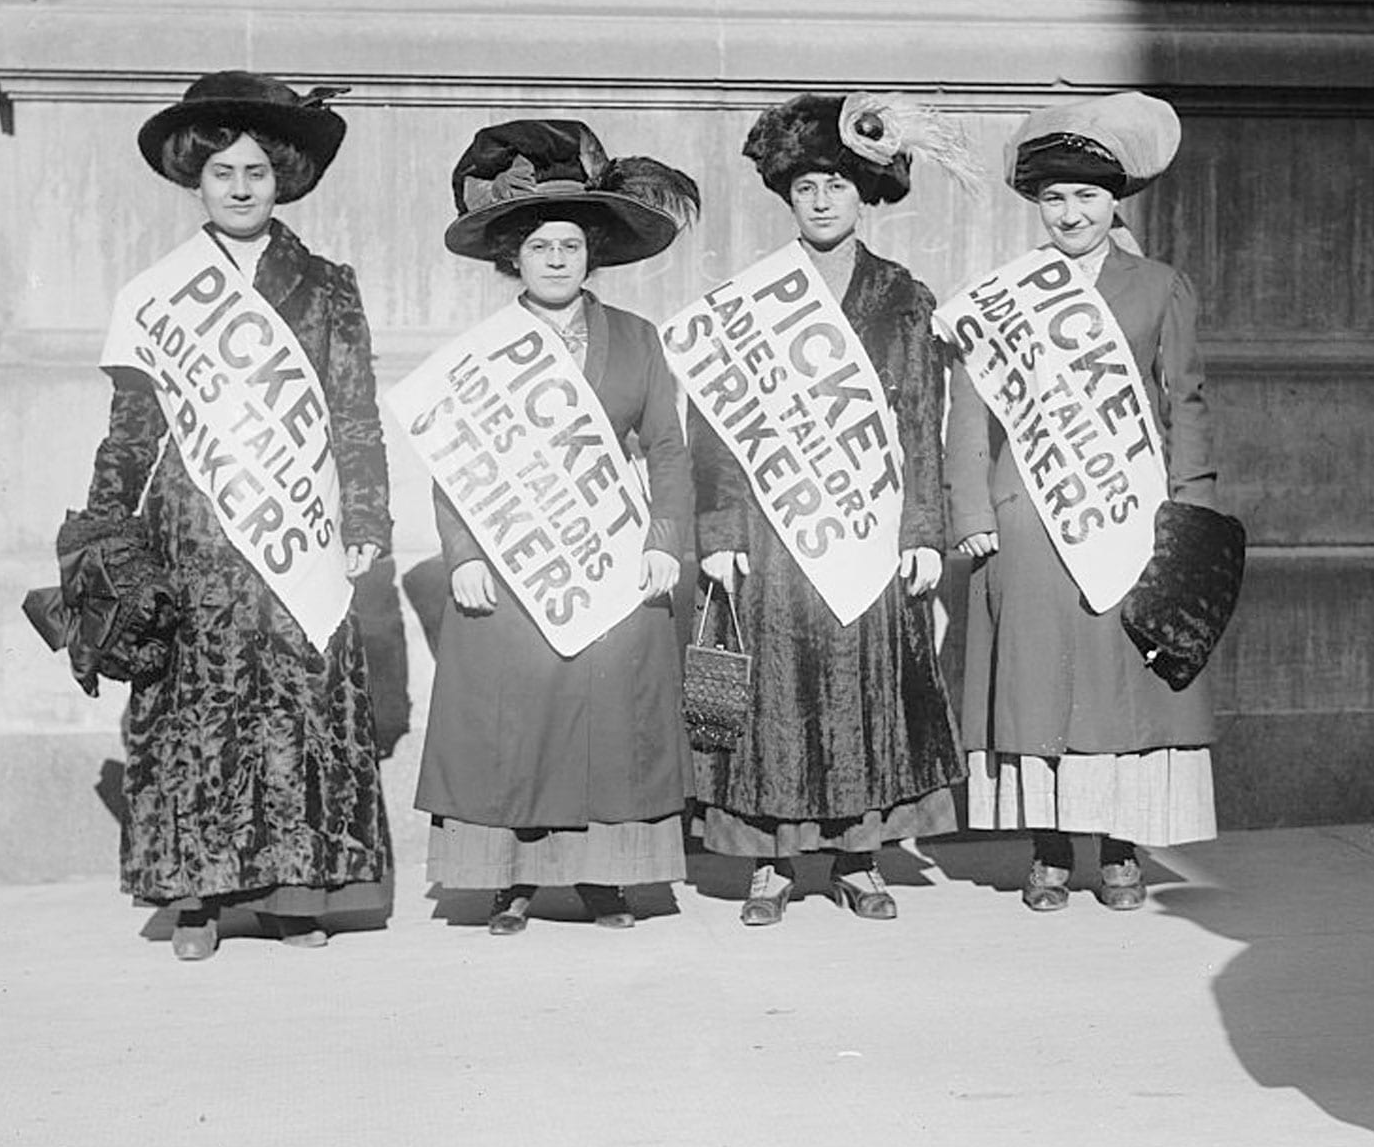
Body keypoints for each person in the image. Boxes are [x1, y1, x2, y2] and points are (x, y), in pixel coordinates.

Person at [81, 71, 393, 960]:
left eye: (257, 170)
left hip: (300, 524)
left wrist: (366, 514)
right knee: (194, 711)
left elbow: (355, 412)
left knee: (295, 705)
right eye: (224, 172)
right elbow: (132, 430)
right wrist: (105, 529)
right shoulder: (156, 295)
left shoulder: (330, 286)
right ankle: (197, 903)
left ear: (283, 177)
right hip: (192, 530)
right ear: (197, 180)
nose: (243, 186)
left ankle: (296, 893)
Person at [414, 119, 700, 934]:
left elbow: (669, 453)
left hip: (608, 551)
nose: (555, 260)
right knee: (518, 711)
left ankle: (607, 879)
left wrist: (661, 541)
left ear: (592, 255)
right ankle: (510, 880)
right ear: (513, 259)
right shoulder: (483, 351)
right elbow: (453, 459)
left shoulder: (637, 341)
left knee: (609, 715)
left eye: (570, 246)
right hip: (513, 554)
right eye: (538, 247)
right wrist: (462, 553)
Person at [690, 92, 968, 926]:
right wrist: (719, 533)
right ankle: (775, 864)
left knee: (863, 693)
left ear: (864, 196)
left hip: (870, 529)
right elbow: (715, 430)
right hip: (775, 535)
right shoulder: (749, 299)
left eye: (838, 186)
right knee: (777, 698)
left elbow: (923, 416)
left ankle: (859, 857)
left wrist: (924, 532)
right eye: (807, 185)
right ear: (787, 195)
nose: (820, 200)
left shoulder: (902, 295)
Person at [945, 91, 1219, 911]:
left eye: (1087, 197)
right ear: (1038, 205)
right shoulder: (1002, 296)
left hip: (1130, 514)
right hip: (1029, 518)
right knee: (1039, 686)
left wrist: (1190, 510)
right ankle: (1051, 851)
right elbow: (971, 413)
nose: (1071, 212)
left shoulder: (1160, 288)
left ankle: (1123, 851)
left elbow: (1186, 404)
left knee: (1119, 686)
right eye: (1055, 198)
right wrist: (972, 514)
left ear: (1114, 203)